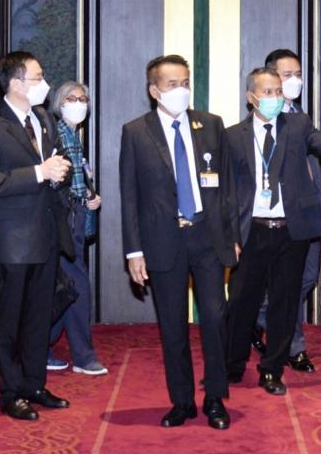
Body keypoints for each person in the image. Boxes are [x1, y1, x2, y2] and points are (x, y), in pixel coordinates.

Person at [225, 67, 321, 396]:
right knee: (241, 303)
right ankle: (232, 364)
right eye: (268, 92)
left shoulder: (298, 126)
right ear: (251, 98)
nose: (275, 97)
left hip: (291, 231)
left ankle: (272, 369)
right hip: (251, 231)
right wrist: (229, 234)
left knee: (285, 303)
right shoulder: (232, 136)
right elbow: (227, 193)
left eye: (278, 91)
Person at [119, 55, 239, 430]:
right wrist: (134, 251)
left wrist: (233, 237)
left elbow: (228, 187)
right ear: (154, 91)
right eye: (172, 84)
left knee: (215, 319)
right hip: (163, 240)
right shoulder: (135, 132)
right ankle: (182, 401)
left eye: (185, 82)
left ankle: (215, 398)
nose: (182, 90)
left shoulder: (211, 124)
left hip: (207, 238)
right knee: (173, 327)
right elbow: (129, 196)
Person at [0, 51, 72, 421]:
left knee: (40, 318)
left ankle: (34, 385)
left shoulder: (43, 119)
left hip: (48, 233)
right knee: (11, 320)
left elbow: (57, 165)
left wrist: (60, 172)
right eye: (37, 77)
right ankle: (10, 393)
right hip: (15, 240)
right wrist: (40, 173)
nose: (45, 84)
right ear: (15, 83)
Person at [251, 48, 321, 373]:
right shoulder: (265, 121)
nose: (295, 81)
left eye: (298, 74)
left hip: (310, 213)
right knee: (291, 282)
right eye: (287, 75)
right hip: (280, 218)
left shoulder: (301, 117)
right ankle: (293, 346)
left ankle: (256, 317)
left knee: (307, 278)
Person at [46, 81, 108, 376]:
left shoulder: (73, 135)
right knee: (77, 286)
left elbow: (79, 179)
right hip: (65, 222)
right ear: (60, 103)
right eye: (71, 98)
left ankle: (40, 347)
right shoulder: (56, 133)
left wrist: (90, 197)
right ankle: (83, 357)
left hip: (77, 220)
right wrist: (81, 198)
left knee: (68, 288)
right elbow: (56, 183)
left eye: (83, 98)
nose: (79, 103)